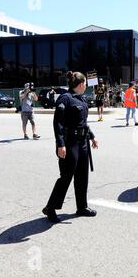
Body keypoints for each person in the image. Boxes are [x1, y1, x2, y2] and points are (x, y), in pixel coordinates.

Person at [43, 71, 99, 223]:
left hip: (83, 142)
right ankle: (51, 207)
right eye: (85, 83)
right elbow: (58, 123)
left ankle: (82, 206)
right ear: (81, 84)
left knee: (82, 176)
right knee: (66, 176)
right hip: (70, 143)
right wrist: (60, 144)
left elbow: (83, 122)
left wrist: (92, 136)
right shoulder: (65, 99)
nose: (86, 85)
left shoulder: (81, 99)